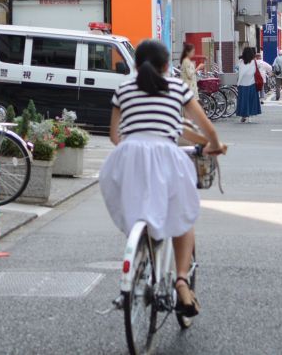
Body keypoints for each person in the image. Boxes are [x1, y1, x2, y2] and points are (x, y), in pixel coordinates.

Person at [100, 39, 226, 318]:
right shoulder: (178, 89)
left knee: (138, 211)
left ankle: (139, 249)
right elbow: (204, 127)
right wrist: (214, 144)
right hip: (167, 156)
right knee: (183, 216)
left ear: (135, 64)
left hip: (128, 157)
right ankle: (181, 281)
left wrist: (135, 147)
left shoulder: (122, 90)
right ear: (167, 66)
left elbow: (114, 136)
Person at [234, 46, 265, 123]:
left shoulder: (241, 62)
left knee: (243, 101)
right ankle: (250, 116)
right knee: (251, 100)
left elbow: (237, 69)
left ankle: (243, 115)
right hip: (252, 84)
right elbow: (260, 67)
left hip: (242, 84)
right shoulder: (254, 62)